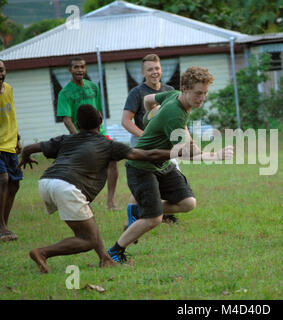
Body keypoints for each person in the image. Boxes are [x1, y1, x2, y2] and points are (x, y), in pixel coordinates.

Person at [19, 104, 174, 273]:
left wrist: (25, 156)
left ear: (77, 125)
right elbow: (146, 155)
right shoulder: (109, 145)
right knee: (87, 240)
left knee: (89, 219)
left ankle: (105, 259)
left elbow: (29, 149)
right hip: (67, 187)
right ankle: (42, 253)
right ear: (100, 120)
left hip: (46, 182)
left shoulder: (67, 139)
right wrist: (177, 152)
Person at [107, 66, 234, 263]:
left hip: (161, 164)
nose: (202, 98)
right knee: (154, 218)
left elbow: (148, 100)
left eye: (205, 93)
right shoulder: (175, 114)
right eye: (198, 93)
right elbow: (185, 153)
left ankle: (139, 209)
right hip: (141, 167)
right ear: (184, 89)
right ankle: (114, 252)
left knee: (187, 203)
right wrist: (216, 155)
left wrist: (150, 119)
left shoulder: (173, 95)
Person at [57, 56, 120, 210]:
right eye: (76, 67)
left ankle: (111, 202)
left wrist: (99, 130)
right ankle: (83, 202)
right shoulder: (64, 93)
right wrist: (78, 136)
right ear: (69, 70)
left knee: (113, 161)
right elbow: (66, 119)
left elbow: (98, 111)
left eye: (82, 67)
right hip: (81, 135)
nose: (79, 70)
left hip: (100, 132)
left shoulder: (93, 87)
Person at [121, 53, 177, 226]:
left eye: (157, 68)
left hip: (165, 144)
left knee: (168, 177)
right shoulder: (137, 93)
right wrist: (144, 136)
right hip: (142, 144)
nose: (154, 72)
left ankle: (163, 213)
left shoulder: (169, 91)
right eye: (150, 69)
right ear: (143, 72)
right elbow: (125, 120)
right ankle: (130, 218)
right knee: (143, 181)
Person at [0, 59, 23, 242]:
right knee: (3, 179)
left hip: (9, 144)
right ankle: (1, 227)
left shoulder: (8, 88)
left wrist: (17, 138)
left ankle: (4, 225)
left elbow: (11, 115)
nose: (0, 74)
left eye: (1, 70)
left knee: (15, 183)